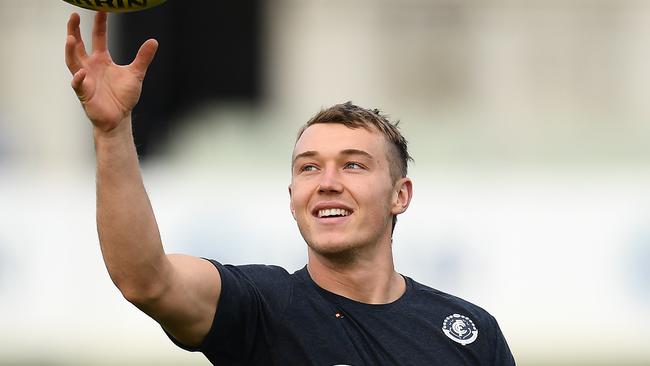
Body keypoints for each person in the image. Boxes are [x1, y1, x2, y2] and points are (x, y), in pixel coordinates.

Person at [65, 11, 515, 366]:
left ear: (401, 194)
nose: (327, 183)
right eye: (309, 168)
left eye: (353, 165)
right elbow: (146, 281)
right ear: (292, 198)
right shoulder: (261, 308)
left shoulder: (470, 333)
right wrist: (112, 130)